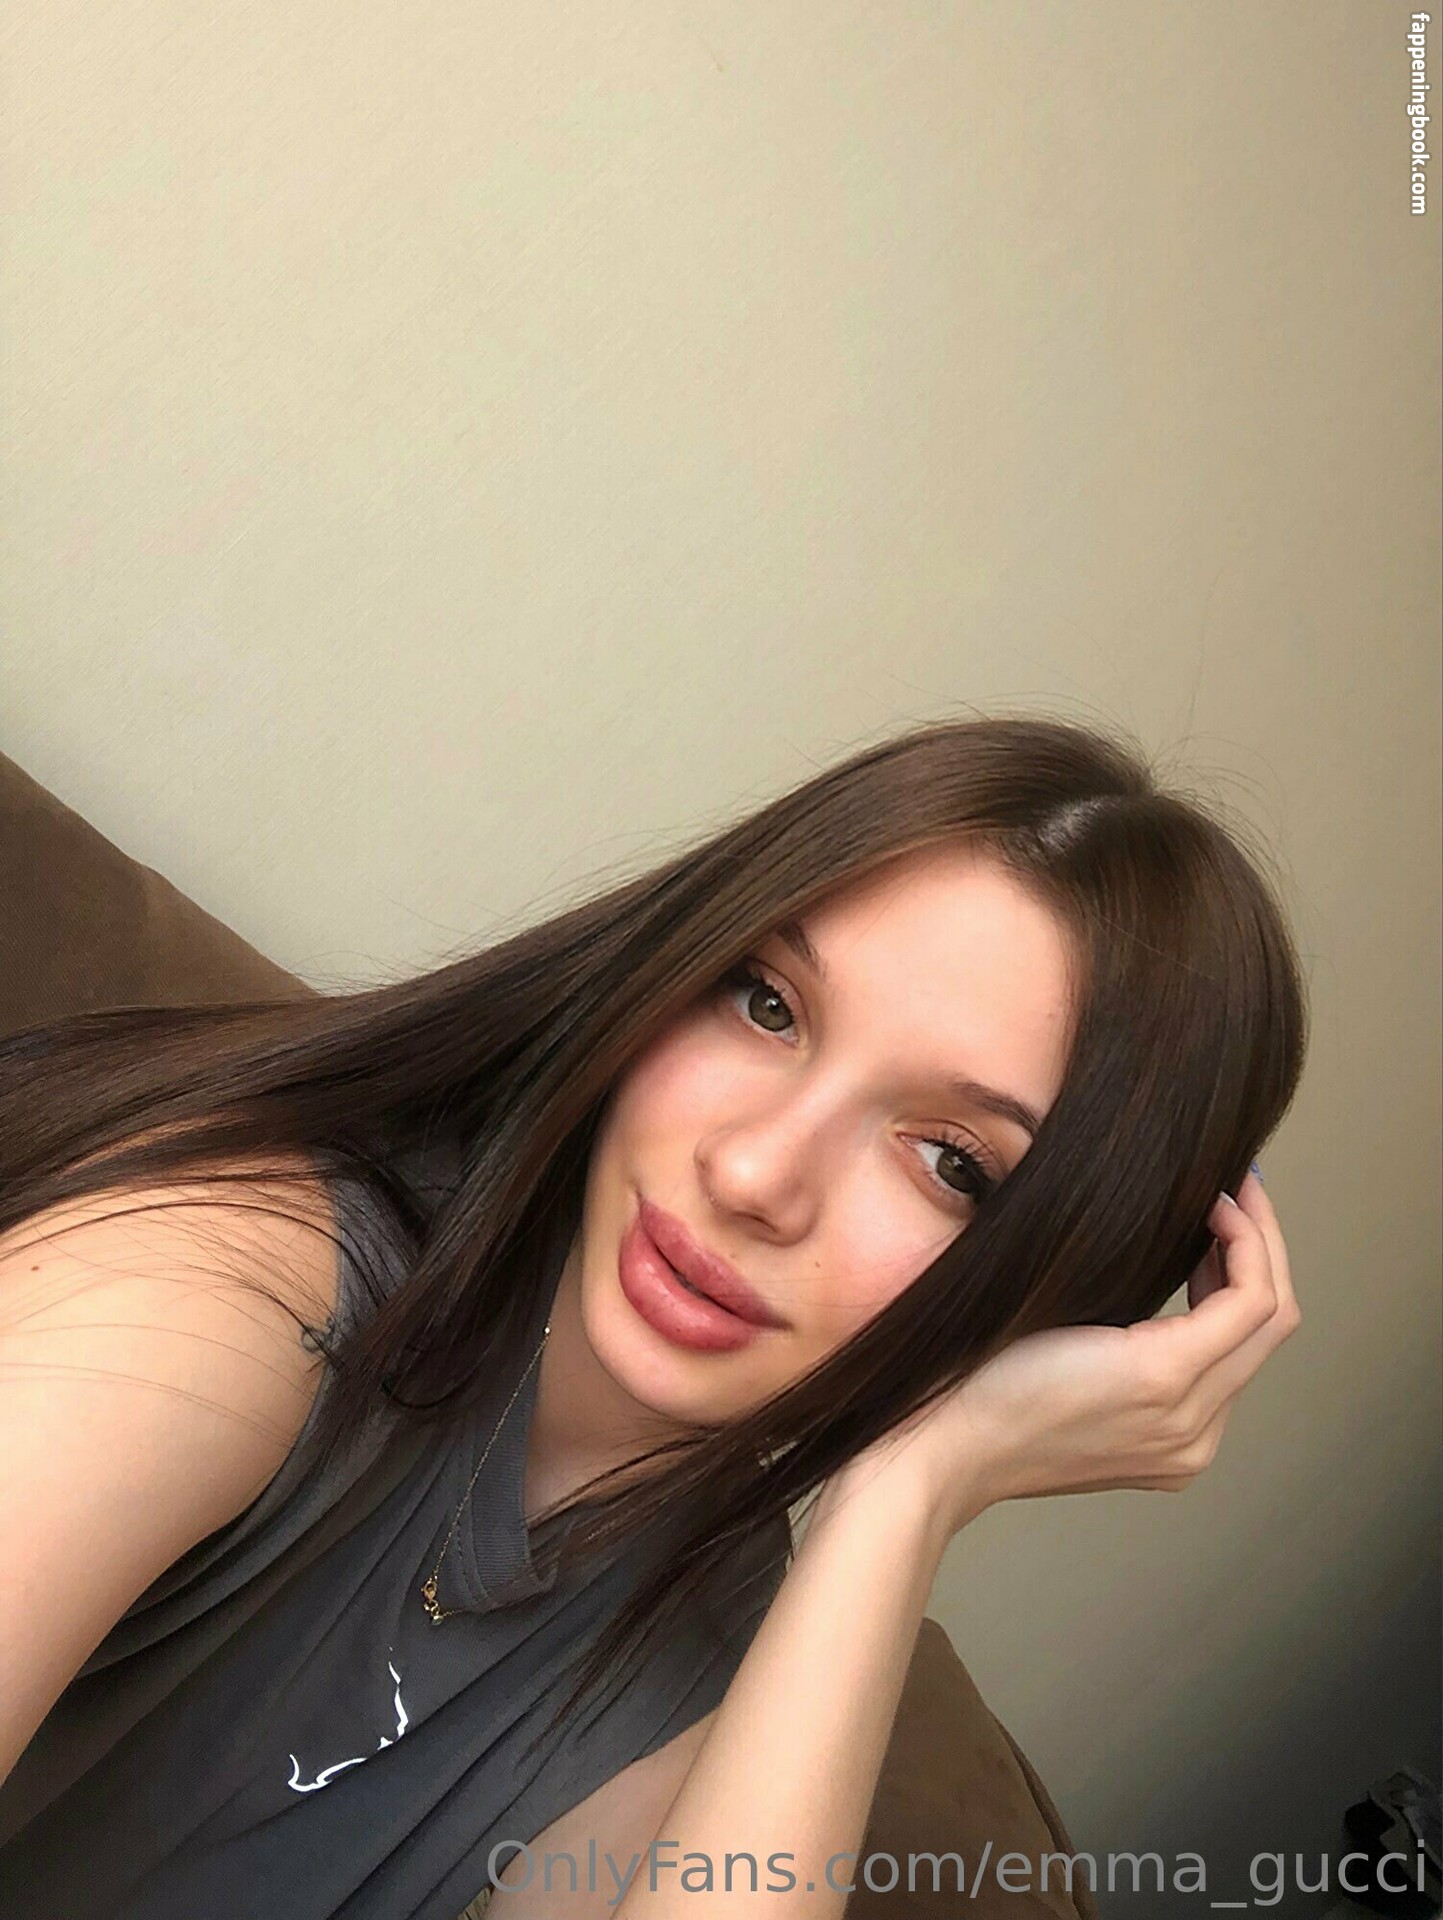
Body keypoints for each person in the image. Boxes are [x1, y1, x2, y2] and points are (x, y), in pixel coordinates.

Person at [0, 713, 1304, 1917]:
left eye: (951, 1161)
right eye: (768, 1004)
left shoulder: (714, 1649)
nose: (752, 1172)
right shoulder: (240, 1270)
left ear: (1057, 1301)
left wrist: (911, 1489)